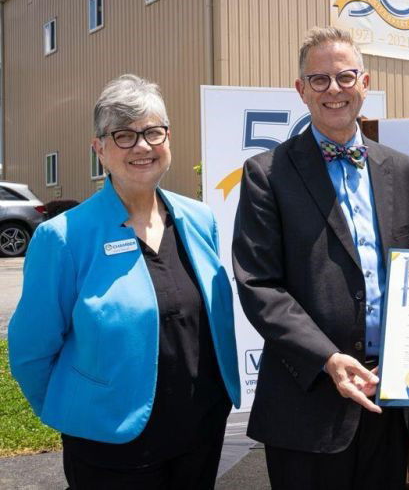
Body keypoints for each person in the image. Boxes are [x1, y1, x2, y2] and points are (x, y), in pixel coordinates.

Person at [9, 74, 241, 489]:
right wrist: (78, 412)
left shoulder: (199, 219)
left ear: (168, 138)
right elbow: (31, 351)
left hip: (200, 433)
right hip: (109, 445)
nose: (142, 146)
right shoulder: (64, 238)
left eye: (153, 131)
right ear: (99, 149)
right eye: (124, 135)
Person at [232, 26, 409, 490]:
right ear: (301, 91)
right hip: (307, 404)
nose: (334, 90)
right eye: (319, 80)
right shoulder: (267, 174)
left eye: (345, 77)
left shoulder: (408, 174)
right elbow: (258, 284)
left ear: (365, 82)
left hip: (391, 399)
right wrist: (327, 358)